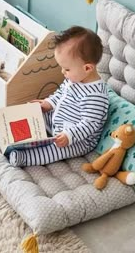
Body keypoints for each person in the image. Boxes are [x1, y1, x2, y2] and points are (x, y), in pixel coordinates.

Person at [9, 26, 109, 167]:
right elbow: (60, 94)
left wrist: (69, 136)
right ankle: (16, 138)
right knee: (33, 113)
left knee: (55, 150)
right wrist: (47, 103)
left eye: (67, 69)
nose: (63, 72)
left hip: (78, 139)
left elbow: (89, 124)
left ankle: (24, 157)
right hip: (58, 120)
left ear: (87, 68)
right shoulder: (74, 78)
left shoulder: (96, 96)